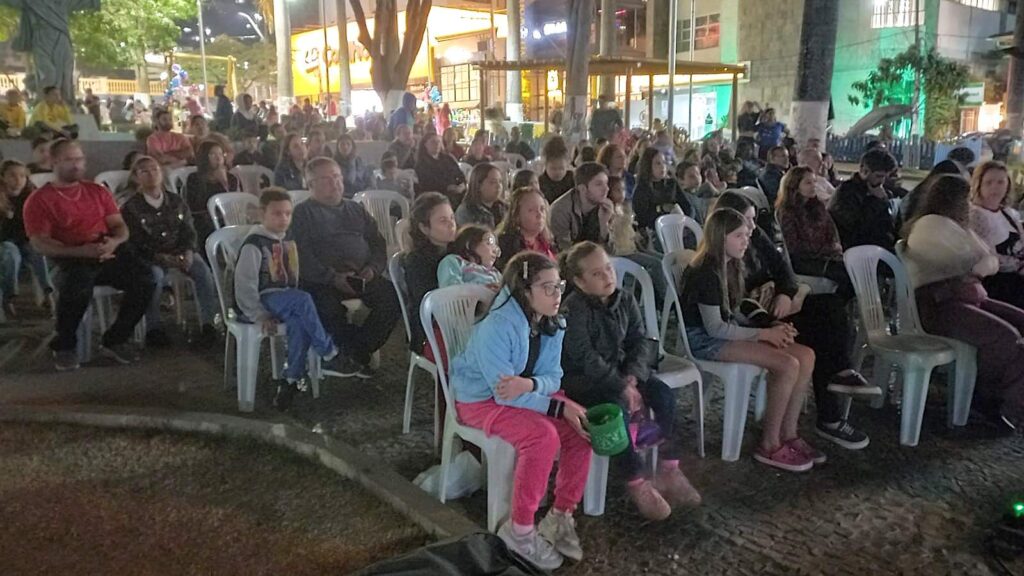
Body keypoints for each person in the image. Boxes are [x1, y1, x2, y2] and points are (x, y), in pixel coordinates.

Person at [450, 251, 590, 569]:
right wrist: (554, 405)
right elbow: (503, 396)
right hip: (479, 401)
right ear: (524, 291)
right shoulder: (497, 327)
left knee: (581, 425)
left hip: (523, 393)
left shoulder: (553, 322)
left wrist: (531, 385)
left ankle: (560, 514)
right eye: (547, 287)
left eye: (559, 286)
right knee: (542, 437)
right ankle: (520, 531)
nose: (557, 295)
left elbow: (554, 377)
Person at [714, 191, 875, 449]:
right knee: (816, 338)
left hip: (775, 307)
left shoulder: (755, 236)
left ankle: (841, 373)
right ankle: (829, 418)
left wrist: (786, 294)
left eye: (753, 219)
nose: (753, 226)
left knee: (831, 308)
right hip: (753, 320)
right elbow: (735, 305)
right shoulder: (723, 254)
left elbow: (784, 269)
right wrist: (769, 322)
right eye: (747, 220)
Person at [561, 242, 701, 521]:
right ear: (579, 281)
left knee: (664, 395)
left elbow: (639, 340)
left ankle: (669, 467)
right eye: (597, 274)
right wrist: (621, 386)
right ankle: (636, 480)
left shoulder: (624, 299)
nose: (608, 276)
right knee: (616, 410)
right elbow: (585, 357)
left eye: (608, 269)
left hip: (624, 373)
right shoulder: (573, 310)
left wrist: (633, 376)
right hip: (586, 381)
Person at [679, 207, 819, 471]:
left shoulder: (731, 265)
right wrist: (764, 334)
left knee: (806, 355)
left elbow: (734, 312)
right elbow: (715, 328)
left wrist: (771, 326)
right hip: (703, 339)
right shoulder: (705, 272)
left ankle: (788, 432)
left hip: (725, 330)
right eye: (739, 236)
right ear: (720, 237)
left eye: (746, 235)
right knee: (787, 364)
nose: (746, 240)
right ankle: (769, 444)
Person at [903, 175, 1024, 431]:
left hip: (968, 296)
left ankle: (1012, 399)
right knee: (1006, 337)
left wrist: (980, 265)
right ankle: (990, 400)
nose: (969, 204)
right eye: (965, 198)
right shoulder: (929, 226)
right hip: (939, 305)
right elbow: (968, 261)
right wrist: (978, 266)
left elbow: (988, 259)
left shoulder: (958, 227)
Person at [23, 139, 155, 370]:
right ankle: (65, 344)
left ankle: (116, 338)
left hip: (104, 249)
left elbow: (119, 226)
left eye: (79, 159)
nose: (76, 165)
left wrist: (114, 242)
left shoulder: (96, 191)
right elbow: (39, 243)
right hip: (69, 257)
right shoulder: (40, 200)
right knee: (77, 285)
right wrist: (79, 251)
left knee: (146, 278)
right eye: (69, 160)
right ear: (54, 162)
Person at [234, 188, 347, 409]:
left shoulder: (289, 240)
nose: (283, 219)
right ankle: (328, 351)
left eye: (287, 213)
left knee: (299, 323)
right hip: (263, 297)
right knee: (302, 299)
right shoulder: (254, 244)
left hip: (285, 298)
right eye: (277, 213)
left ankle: (290, 380)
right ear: (263, 213)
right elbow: (245, 284)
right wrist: (259, 314)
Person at [291, 157, 402, 377]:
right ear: (310, 184)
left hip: (362, 275)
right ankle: (347, 353)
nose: (335, 183)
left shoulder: (355, 209)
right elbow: (301, 255)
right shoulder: (303, 214)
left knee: (392, 298)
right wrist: (332, 277)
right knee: (327, 308)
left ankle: (355, 352)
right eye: (326, 179)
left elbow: (377, 242)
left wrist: (373, 268)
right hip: (322, 280)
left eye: (337, 177)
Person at [120, 156, 218, 347]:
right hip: (151, 255)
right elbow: (135, 242)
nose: (151, 175)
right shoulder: (131, 207)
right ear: (136, 177)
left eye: (155, 170)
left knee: (203, 271)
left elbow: (189, 230)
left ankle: (208, 323)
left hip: (178, 249)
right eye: (144, 171)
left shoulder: (176, 201)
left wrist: (188, 251)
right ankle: (154, 328)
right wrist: (159, 257)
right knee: (154, 277)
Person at [775, 166, 852, 299]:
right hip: (803, 260)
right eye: (808, 183)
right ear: (795, 185)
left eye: (814, 181)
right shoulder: (787, 212)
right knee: (845, 275)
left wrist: (834, 246)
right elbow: (794, 246)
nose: (814, 186)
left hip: (825, 255)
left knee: (854, 269)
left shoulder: (817, 206)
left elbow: (831, 229)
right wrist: (827, 249)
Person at [401, 192, 457, 356]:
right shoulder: (416, 261)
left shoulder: (457, 251)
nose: (451, 224)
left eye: (452, 218)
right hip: (431, 330)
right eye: (443, 221)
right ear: (424, 228)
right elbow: (431, 302)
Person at [0, 160, 54, 317]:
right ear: (3, 177)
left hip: (27, 239)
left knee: (38, 251)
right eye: (12, 175)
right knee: (11, 254)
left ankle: (48, 292)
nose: (18, 180)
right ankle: (9, 296)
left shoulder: (31, 194)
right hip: (4, 241)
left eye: (22, 176)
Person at [968, 161, 1024, 309]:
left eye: (1000, 182)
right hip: (999, 281)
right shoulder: (976, 215)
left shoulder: (1009, 213)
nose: (995, 187)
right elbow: (986, 254)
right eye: (989, 182)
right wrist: (1018, 267)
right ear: (979, 185)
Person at [828, 148, 898, 252]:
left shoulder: (881, 191)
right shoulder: (846, 192)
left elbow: (888, 225)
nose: (881, 181)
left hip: (877, 246)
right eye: (878, 176)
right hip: (856, 248)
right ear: (864, 171)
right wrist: (878, 202)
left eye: (884, 177)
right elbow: (856, 227)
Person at [185, 140, 242, 248]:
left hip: (229, 219)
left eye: (220, 154)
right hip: (206, 221)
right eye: (213, 154)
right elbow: (195, 206)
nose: (218, 158)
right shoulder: (194, 178)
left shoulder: (231, 178)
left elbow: (235, 203)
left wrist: (224, 183)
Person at [549, 162, 614, 253]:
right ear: (582, 188)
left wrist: (604, 224)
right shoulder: (561, 210)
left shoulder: (604, 207)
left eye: (606, 183)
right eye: (599, 184)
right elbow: (563, 251)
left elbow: (611, 251)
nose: (606, 189)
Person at [632, 148, 696, 239]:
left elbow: (688, 206)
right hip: (656, 232)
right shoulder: (642, 189)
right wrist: (661, 209)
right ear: (648, 165)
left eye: (664, 162)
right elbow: (643, 217)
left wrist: (688, 223)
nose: (663, 167)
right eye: (658, 163)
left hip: (680, 226)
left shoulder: (672, 184)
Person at [496, 186, 557, 269]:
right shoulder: (506, 245)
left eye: (542, 209)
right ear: (517, 215)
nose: (539, 215)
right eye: (531, 210)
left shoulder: (548, 242)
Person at [437, 224, 502, 289]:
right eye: (489, 243)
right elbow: (451, 287)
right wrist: (483, 290)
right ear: (469, 243)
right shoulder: (454, 261)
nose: (495, 251)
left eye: (496, 247)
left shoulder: (496, 273)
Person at [413, 131, 466, 202]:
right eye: (433, 142)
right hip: (435, 196)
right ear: (425, 144)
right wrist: (447, 187)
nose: (437, 144)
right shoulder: (421, 164)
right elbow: (427, 184)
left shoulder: (448, 158)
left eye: (438, 142)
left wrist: (462, 184)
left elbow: (459, 173)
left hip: (455, 191)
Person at [455, 163, 507, 229]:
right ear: (478, 185)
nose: (498, 186)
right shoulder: (466, 212)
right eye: (493, 182)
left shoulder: (504, 208)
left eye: (500, 181)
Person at [539, 137, 575, 204]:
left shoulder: (573, 179)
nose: (558, 172)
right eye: (553, 168)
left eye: (561, 168)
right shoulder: (540, 182)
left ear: (567, 165)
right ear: (545, 166)